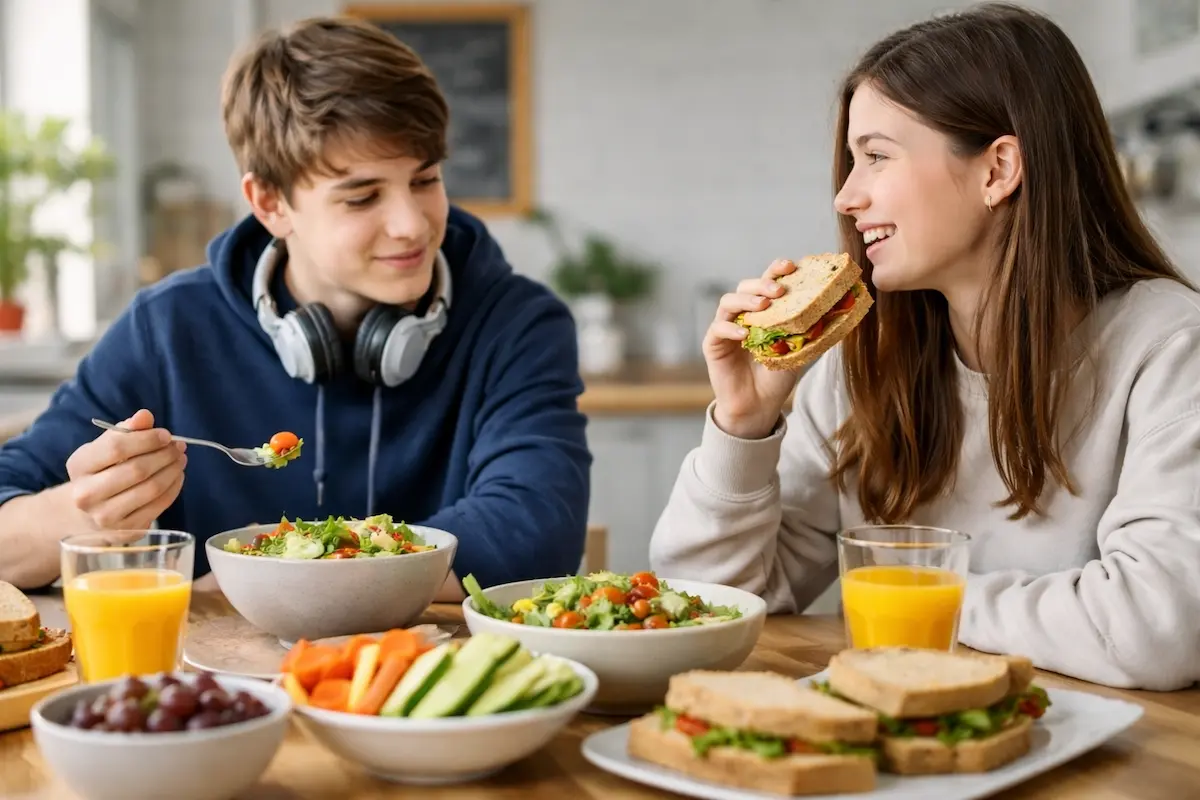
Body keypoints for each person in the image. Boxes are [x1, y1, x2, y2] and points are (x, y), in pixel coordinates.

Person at [649, 2, 1200, 691]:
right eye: (852, 162)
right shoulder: (863, 362)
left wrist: (912, 598)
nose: (847, 196)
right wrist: (744, 423)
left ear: (998, 169)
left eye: (876, 156)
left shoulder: (1172, 346)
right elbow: (704, 608)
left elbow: (1157, 626)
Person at [0, 16, 592, 596]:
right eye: (362, 197)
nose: (412, 225)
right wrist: (85, 517)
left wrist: (267, 571)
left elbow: (533, 532)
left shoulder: (520, 324)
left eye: (425, 179)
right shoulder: (167, 328)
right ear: (269, 202)